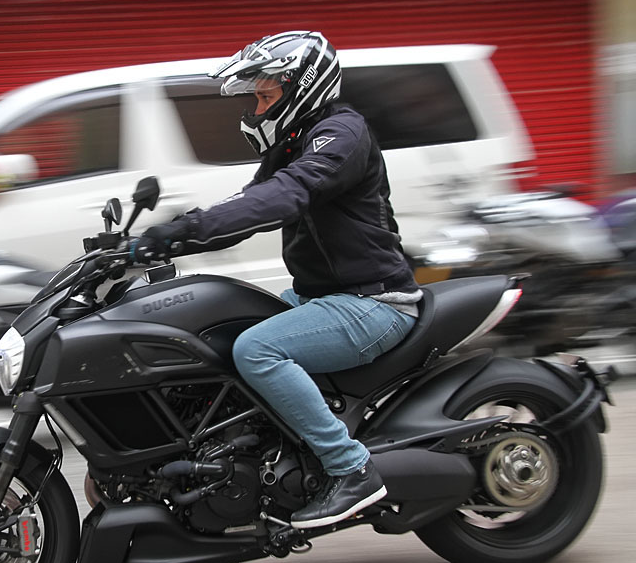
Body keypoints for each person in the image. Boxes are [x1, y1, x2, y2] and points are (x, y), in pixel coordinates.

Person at [129, 31, 422, 529]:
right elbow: (248, 207)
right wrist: (168, 239)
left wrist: (184, 231)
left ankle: (351, 469)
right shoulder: (292, 143)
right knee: (211, 331)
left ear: (301, 86)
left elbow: (286, 196)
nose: (258, 109)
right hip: (321, 296)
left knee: (256, 350)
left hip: (374, 301)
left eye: (266, 95)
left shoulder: (340, 135)